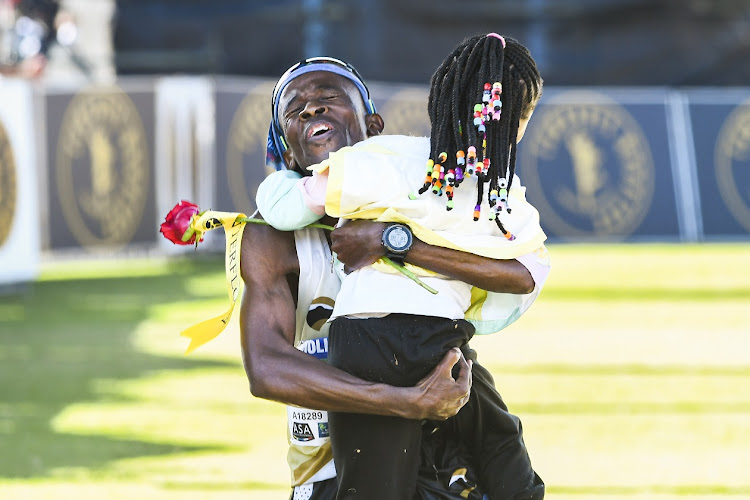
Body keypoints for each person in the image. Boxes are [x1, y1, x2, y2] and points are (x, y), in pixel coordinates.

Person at [254, 35, 547, 500]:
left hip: (436, 362)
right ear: (285, 151)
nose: (311, 110)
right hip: (338, 458)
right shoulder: (267, 238)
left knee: (505, 447)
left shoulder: (408, 169)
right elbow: (266, 371)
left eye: (328, 99)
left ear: (373, 126)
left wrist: (397, 244)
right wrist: (404, 404)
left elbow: (524, 275)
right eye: (295, 110)